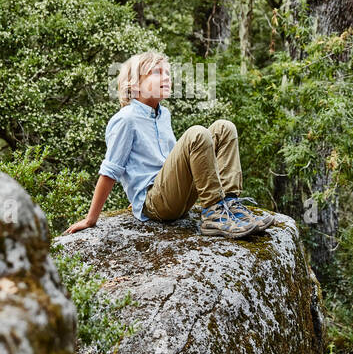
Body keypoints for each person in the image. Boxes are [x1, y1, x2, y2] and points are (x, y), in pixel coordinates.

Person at [64, 51, 272, 238]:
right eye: (156, 72)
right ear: (134, 84)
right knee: (196, 134)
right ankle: (213, 215)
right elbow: (110, 170)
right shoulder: (125, 119)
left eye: (167, 73)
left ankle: (229, 205)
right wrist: (92, 219)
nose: (166, 77)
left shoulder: (164, 115)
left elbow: (169, 163)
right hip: (158, 204)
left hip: (174, 196)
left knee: (224, 128)